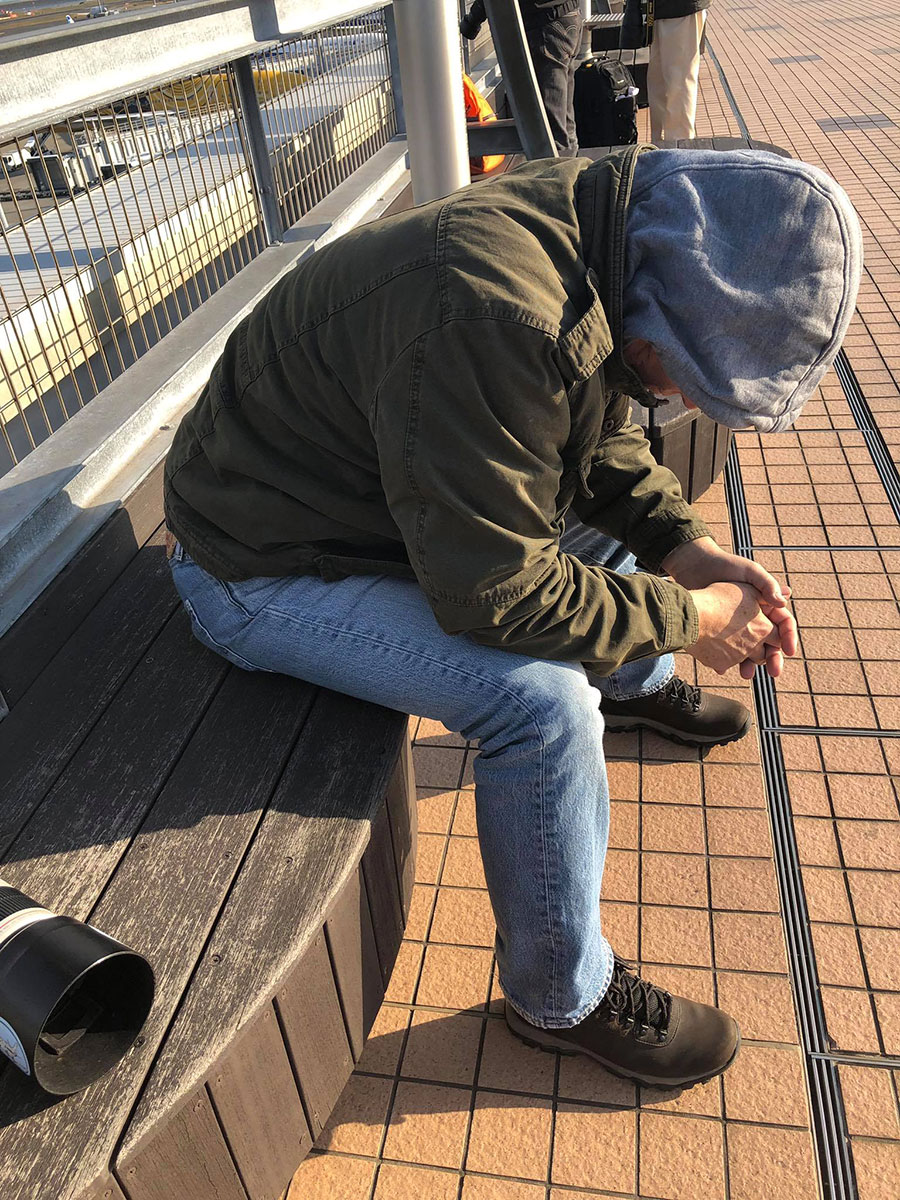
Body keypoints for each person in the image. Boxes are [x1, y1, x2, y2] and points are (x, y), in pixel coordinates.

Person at [163, 146, 861, 1087]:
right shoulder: (495, 312)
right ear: (666, 302)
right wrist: (689, 617)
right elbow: (496, 591)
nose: (683, 399)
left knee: (599, 535)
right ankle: (560, 996)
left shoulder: (606, 227)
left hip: (366, 503)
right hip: (255, 564)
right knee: (541, 706)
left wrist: (684, 548)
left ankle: (632, 680)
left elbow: (587, 434)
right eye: (691, 375)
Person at [461, 0, 585, 155]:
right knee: (564, 117)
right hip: (568, 15)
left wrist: (472, 21)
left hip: (545, 23)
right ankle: (570, 161)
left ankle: (558, 165)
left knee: (551, 126)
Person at [623, 0, 710, 145]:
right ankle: (662, 143)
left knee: (678, 82)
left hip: (679, 10)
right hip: (660, 10)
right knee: (659, 82)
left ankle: (679, 146)